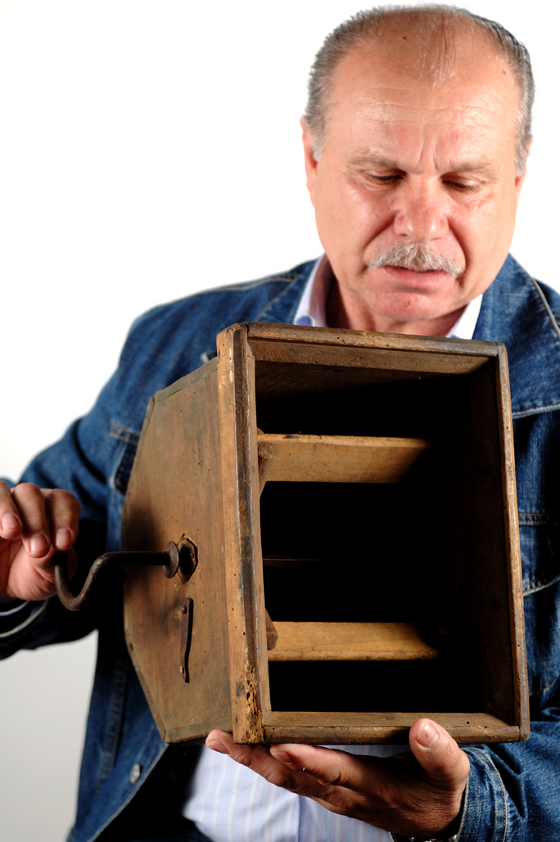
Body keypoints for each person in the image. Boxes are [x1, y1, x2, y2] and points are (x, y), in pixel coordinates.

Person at [1, 5, 559, 841]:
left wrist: (469, 807)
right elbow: (54, 568)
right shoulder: (175, 344)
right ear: (311, 160)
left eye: (463, 182)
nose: (420, 223)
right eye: (381, 174)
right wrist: (19, 571)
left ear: (517, 178)